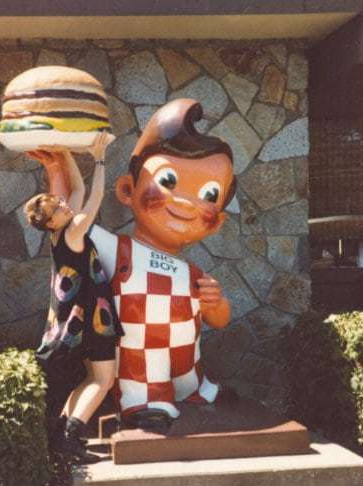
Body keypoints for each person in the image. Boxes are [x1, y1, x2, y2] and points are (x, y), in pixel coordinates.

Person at [39, 99, 237, 428]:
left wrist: (216, 303)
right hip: (138, 369)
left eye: (209, 195)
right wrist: (56, 168)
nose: (186, 203)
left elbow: (219, 319)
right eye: (169, 181)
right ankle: (143, 399)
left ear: (215, 222)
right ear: (127, 190)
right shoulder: (118, 249)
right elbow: (66, 220)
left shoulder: (190, 271)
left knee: (189, 371)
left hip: (188, 363)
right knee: (144, 366)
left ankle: (191, 386)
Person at [24, 132, 123, 463]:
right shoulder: (74, 231)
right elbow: (93, 196)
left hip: (80, 319)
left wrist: (65, 152)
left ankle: (62, 438)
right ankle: (69, 439)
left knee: (91, 377)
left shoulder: (58, 234)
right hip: (94, 317)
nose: (64, 202)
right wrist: (98, 159)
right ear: (52, 220)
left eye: (59, 202)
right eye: (58, 206)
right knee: (104, 379)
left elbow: (77, 190)